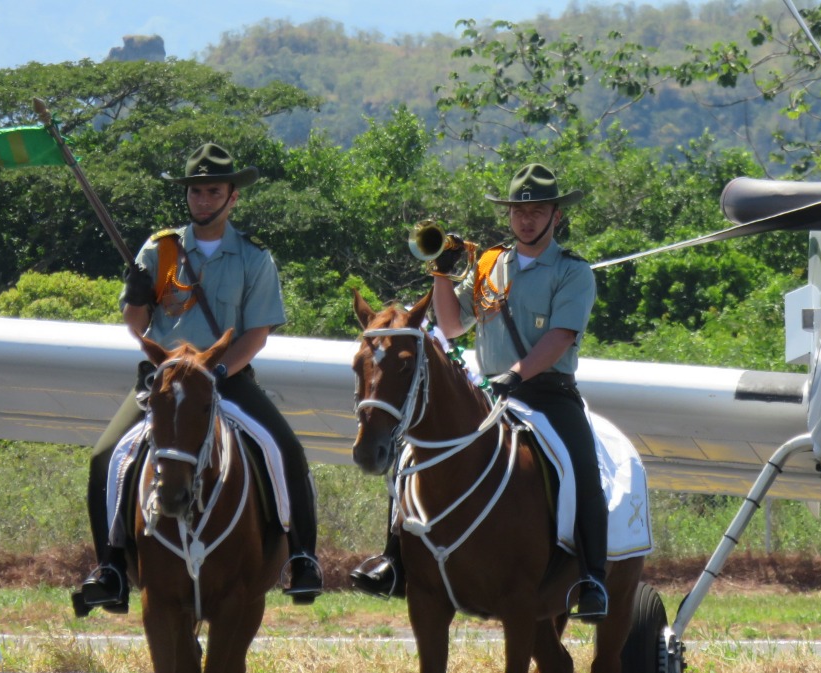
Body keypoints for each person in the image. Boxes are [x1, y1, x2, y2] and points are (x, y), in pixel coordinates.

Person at [350, 163, 609, 622]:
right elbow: (452, 325)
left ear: (556, 216)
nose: (526, 219)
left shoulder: (573, 272)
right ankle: (395, 559)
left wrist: (517, 374)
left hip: (547, 392)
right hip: (489, 391)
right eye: (518, 211)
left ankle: (592, 578)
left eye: (537, 211)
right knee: (411, 452)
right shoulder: (490, 264)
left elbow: (562, 336)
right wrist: (442, 273)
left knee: (581, 468)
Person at [75, 143, 323, 615]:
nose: (203, 200)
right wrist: (136, 298)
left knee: (286, 449)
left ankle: (302, 558)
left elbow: (257, 333)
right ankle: (109, 567)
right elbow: (138, 325)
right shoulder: (160, 249)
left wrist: (219, 370)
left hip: (226, 377)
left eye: (213, 191)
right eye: (196, 192)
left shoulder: (254, 257)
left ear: (233, 197)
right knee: (106, 455)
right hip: (166, 383)